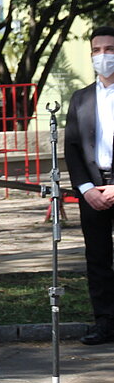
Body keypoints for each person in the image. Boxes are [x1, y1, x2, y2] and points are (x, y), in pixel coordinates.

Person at [64, 26, 114, 345]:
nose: (102, 56)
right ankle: (105, 322)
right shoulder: (81, 98)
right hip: (92, 190)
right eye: (96, 50)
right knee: (97, 258)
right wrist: (85, 188)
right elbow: (71, 147)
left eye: (109, 49)